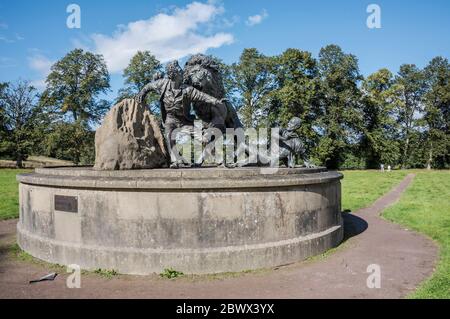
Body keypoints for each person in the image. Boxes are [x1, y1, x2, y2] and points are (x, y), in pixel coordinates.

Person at [136, 61, 226, 168]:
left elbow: (202, 96)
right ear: (173, 75)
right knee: (169, 137)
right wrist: (142, 93)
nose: (182, 73)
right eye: (180, 72)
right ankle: (175, 161)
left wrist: (216, 101)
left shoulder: (187, 90)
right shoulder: (162, 84)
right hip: (170, 118)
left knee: (204, 137)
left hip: (184, 120)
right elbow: (148, 86)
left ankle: (218, 159)